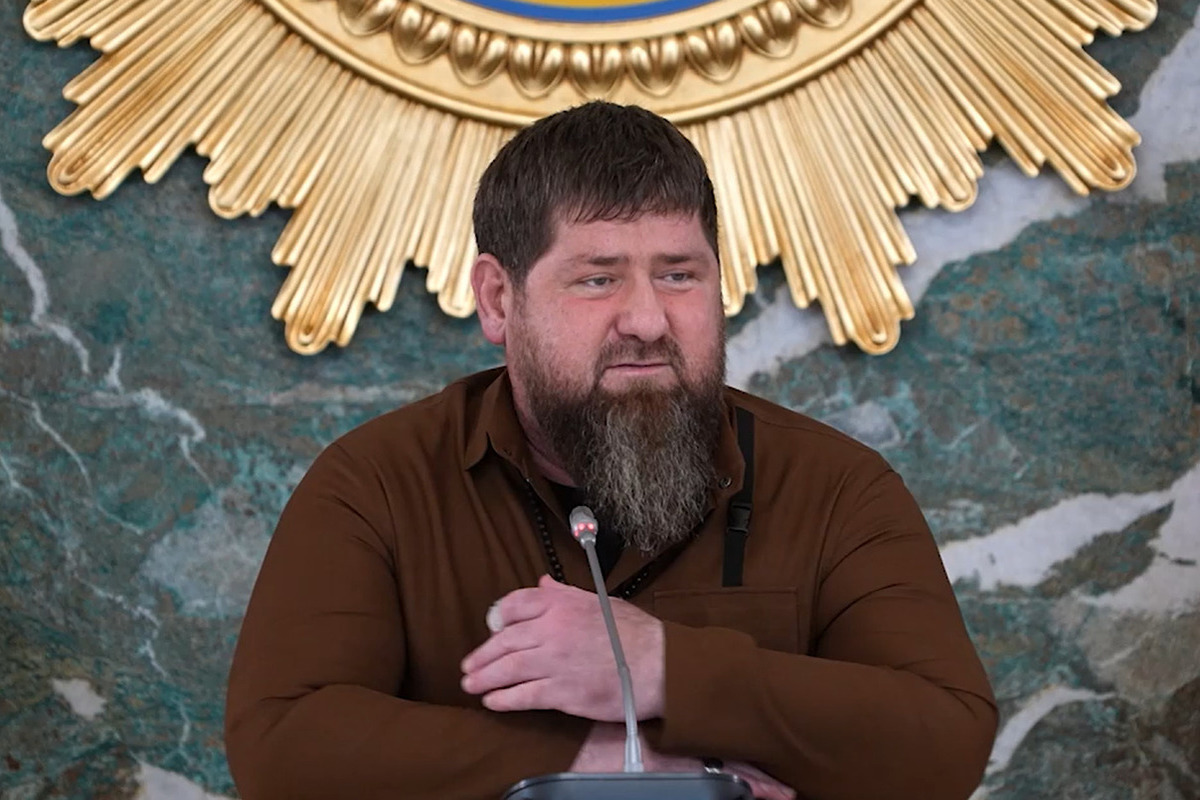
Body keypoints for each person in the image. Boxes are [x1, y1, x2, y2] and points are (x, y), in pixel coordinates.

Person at [225, 101, 997, 800]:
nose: (649, 320)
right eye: (598, 280)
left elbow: (946, 740)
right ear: (498, 299)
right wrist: (594, 763)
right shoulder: (375, 483)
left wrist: (666, 669)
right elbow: (282, 744)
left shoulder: (839, 487)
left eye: (679, 275)